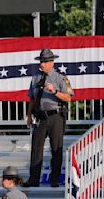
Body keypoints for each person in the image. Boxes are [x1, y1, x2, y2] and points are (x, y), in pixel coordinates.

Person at [23, 48, 74, 188]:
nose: (42, 64)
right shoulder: (35, 78)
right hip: (40, 117)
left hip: (55, 116)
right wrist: (29, 115)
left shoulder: (60, 78)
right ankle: (33, 179)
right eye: (41, 61)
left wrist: (55, 91)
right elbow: (32, 99)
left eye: (45, 62)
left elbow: (69, 97)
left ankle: (54, 179)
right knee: (36, 148)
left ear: (52, 62)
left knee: (56, 148)